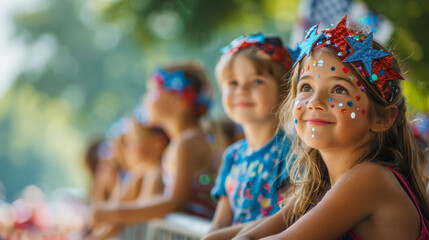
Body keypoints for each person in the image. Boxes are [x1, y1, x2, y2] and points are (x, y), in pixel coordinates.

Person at [234, 16, 429, 239]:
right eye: (306, 86)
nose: (315, 102)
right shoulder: (319, 187)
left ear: (382, 118)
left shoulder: (370, 179)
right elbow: (248, 233)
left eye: (339, 89)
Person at [93, 61, 218, 225]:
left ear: (178, 103)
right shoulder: (183, 142)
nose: (145, 99)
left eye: (152, 92)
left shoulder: (187, 143)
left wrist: (113, 213)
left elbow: (173, 202)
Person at [203, 33, 295, 240]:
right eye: (233, 83)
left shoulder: (292, 151)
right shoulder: (232, 156)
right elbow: (220, 222)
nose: (242, 91)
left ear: (284, 90)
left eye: (256, 81)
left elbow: (290, 216)